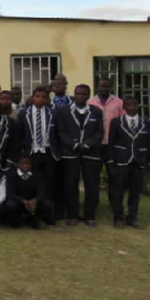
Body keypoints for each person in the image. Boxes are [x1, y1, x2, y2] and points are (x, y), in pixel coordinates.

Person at [55, 84, 104, 227]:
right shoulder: (64, 111)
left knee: (92, 185)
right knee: (70, 185)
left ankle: (90, 216)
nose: (80, 96)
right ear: (74, 95)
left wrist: (89, 143)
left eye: (83, 94)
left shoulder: (96, 111)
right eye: (78, 93)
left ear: (88, 96)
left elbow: (100, 132)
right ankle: (72, 215)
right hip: (71, 153)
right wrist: (74, 144)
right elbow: (61, 131)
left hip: (91, 153)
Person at [106, 97, 150, 229]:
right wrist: (110, 161)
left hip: (138, 162)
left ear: (138, 106)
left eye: (134, 105)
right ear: (124, 107)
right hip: (121, 161)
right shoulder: (116, 122)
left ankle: (132, 218)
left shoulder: (146, 123)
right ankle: (118, 217)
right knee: (118, 191)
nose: (132, 108)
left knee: (135, 192)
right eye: (129, 105)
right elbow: (111, 143)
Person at [18, 86, 58, 224]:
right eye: (37, 96)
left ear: (47, 99)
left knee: (49, 184)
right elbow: (20, 134)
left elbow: (57, 133)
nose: (40, 99)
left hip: (48, 152)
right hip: (32, 153)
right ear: (33, 97)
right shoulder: (24, 113)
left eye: (43, 97)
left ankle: (49, 214)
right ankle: (32, 213)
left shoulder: (53, 113)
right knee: (33, 184)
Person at [3, 154, 52, 229]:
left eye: (28, 164)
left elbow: (41, 191)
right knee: (10, 205)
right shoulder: (11, 175)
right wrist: (23, 201)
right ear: (18, 164)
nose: (26, 166)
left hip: (33, 203)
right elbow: (10, 193)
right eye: (23, 163)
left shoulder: (37, 175)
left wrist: (35, 200)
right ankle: (17, 219)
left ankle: (33, 219)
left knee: (47, 204)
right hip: (19, 202)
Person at [89, 77, 124, 145]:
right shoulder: (90, 103)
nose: (104, 89)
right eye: (102, 86)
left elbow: (123, 121)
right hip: (95, 141)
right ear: (97, 87)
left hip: (114, 140)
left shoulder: (119, 102)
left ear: (111, 87)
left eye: (107, 86)